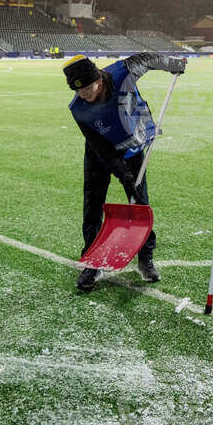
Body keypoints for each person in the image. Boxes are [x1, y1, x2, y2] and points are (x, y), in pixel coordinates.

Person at [63, 53, 186, 292]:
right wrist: (122, 173)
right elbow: (101, 148)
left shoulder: (123, 72)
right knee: (92, 206)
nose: (85, 95)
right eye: (80, 92)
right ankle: (92, 262)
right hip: (100, 154)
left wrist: (175, 66)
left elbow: (150, 59)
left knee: (140, 203)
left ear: (98, 77)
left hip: (132, 146)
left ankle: (146, 258)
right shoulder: (79, 109)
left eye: (89, 88)